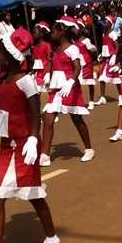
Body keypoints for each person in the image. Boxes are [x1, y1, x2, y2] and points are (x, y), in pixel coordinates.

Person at [0, 28, 60, 243]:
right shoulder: (3, 83)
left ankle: (52, 239)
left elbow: (36, 114)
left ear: (10, 56)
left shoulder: (25, 80)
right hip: (7, 147)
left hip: (26, 147)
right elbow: (5, 113)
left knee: (34, 195)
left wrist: (35, 139)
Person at [40, 17, 94, 165]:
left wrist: (71, 82)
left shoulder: (73, 48)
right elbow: (52, 65)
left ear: (62, 31)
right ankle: (45, 154)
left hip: (69, 87)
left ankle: (89, 149)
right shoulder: (55, 49)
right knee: (48, 118)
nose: (51, 34)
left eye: (54, 31)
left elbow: (77, 67)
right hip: (56, 88)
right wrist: (47, 77)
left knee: (77, 119)